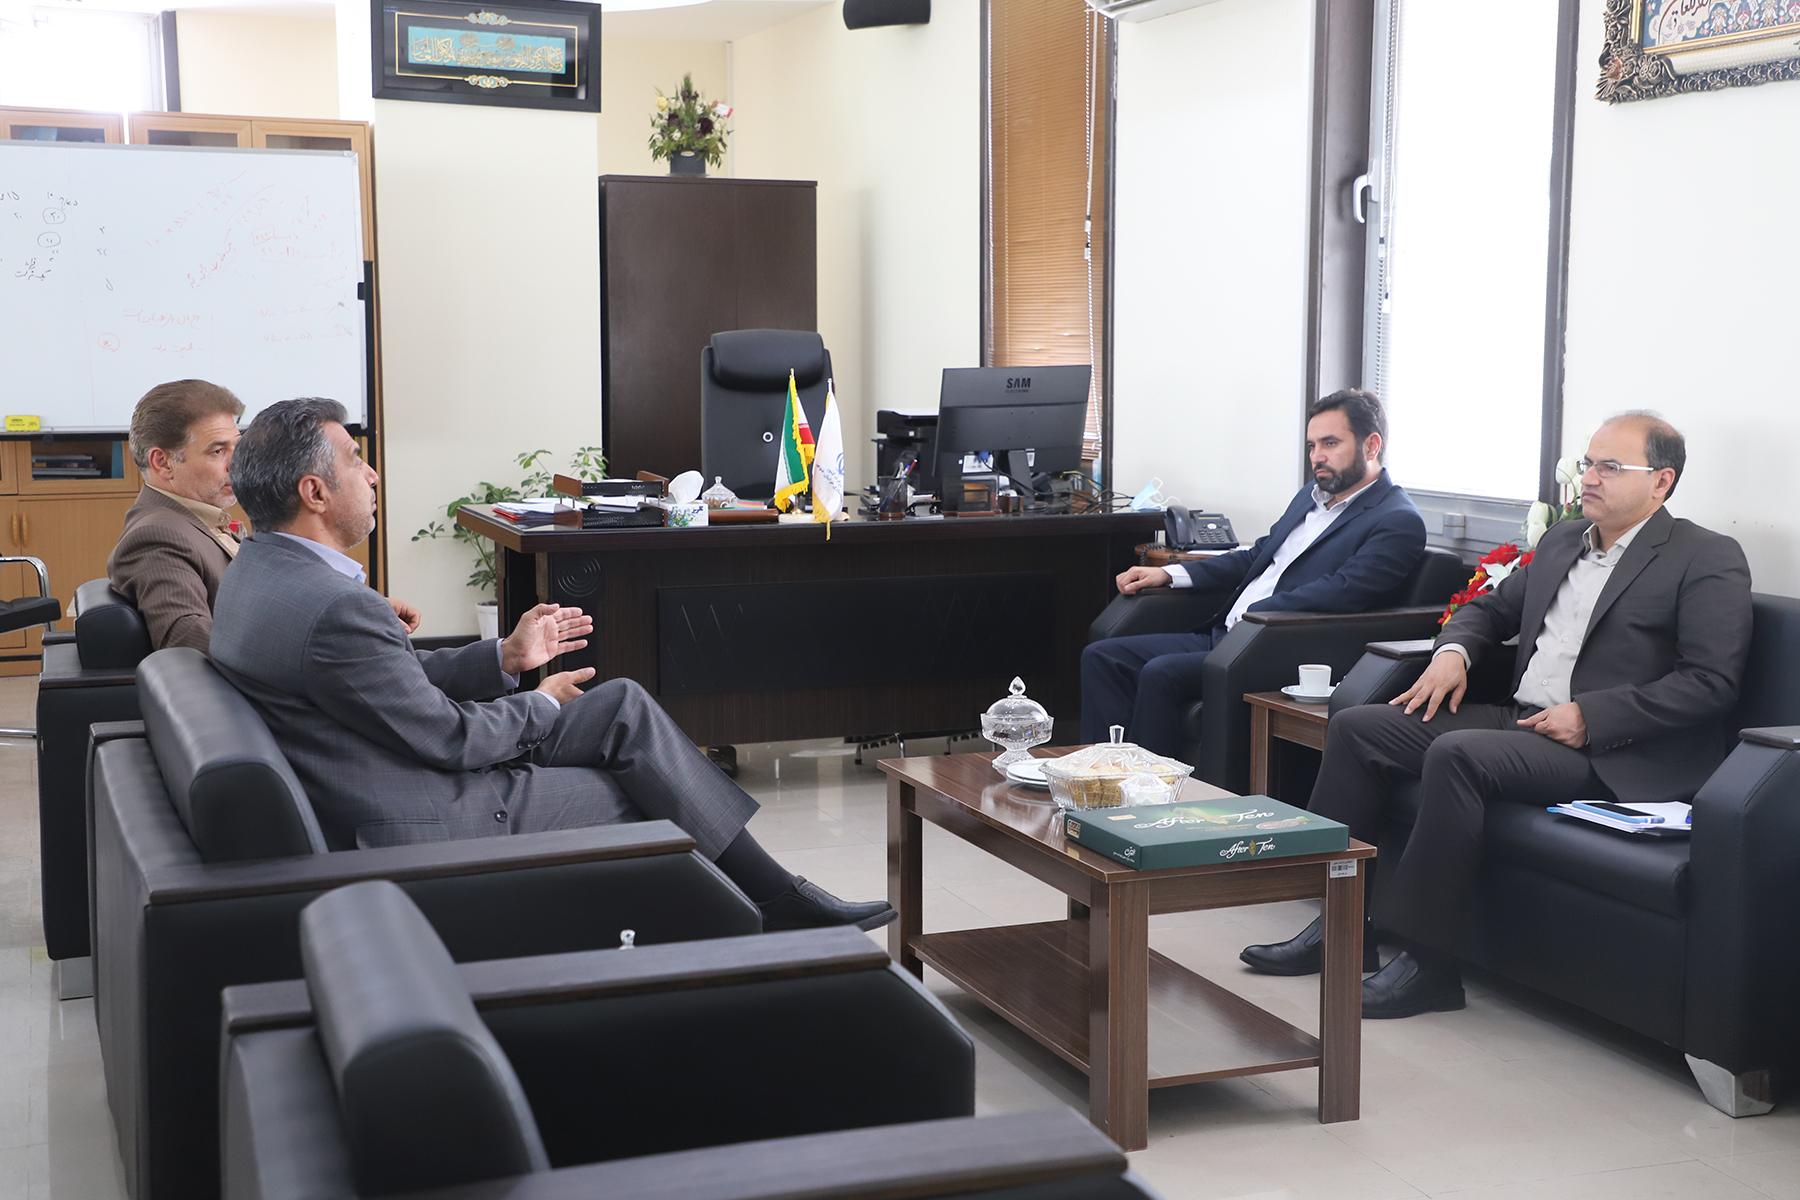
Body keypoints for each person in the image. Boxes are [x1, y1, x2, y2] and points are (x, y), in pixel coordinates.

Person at [208, 398, 891, 932]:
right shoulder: (334, 605)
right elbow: (449, 737)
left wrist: (504, 657)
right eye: (356, 460)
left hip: (390, 764)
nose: (372, 473)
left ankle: (776, 896)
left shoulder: (262, 571)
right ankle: (747, 924)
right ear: (315, 492)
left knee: (621, 705)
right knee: (644, 789)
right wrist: (540, 703)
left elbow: (386, 683)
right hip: (416, 809)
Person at [1241, 412, 1752, 1018]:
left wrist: (1593, 716)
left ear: (1661, 482)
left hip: (1609, 750)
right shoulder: (1563, 541)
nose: (1589, 478)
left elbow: (1710, 682)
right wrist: (1453, 654)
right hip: (1524, 721)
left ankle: (1430, 965)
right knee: (1358, 727)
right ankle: (1340, 927)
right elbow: (1485, 611)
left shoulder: (1704, 557)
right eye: (1587, 463)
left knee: (1457, 754)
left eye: (1610, 467)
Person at [1080, 389, 1427, 755]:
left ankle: (1149, 786)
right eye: (1311, 446)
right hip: (1229, 636)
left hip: (1275, 646)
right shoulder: (1311, 496)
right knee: (1103, 658)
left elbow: (1345, 591)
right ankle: (1100, 773)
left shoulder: (1396, 520)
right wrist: (1172, 574)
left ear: (1371, 445)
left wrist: (1257, 613)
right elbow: (1257, 556)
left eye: (1330, 443)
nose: (1317, 457)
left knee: (1160, 672)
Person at [108, 378, 420, 651]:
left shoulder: (199, 520)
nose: (236, 463)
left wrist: (357, 614)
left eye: (237, 447)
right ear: (163, 462)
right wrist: (326, 638)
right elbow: (189, 642)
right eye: (218, 451)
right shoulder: (158, 536)